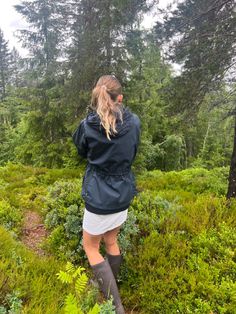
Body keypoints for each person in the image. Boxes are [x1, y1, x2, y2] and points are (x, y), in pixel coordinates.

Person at [72, 74, 140, 314]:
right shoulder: (134, 122)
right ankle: (110, 287)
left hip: (99, 196)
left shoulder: (87, 126)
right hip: (122, 194)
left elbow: (81, 150)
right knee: (111, 240)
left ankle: (116, 305)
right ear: (119, 97)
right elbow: (133, 151)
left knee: (90, 246)